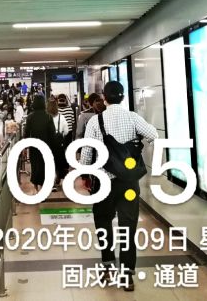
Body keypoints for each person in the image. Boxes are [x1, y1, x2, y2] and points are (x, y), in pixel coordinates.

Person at [81, 81, 159, 292]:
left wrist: (85, 174)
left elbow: (87, 151)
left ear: (104, 98)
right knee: (128, 226)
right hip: (129, 183)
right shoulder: (132, 117)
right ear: (123, 97)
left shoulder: (96, 121)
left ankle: (107, 267)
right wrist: (136, 143)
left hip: (103, 182)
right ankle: (127, 276)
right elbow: (154, 135)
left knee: (103, 222)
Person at [23, 95, 56, 195]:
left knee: (35, 166)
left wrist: (24, 146)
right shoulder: (48, 116)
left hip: (34, 146)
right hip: (46, 145)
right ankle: (43, 187)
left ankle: (35, 188)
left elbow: (26, 132)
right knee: (44, 165)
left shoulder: (30, 117)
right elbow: (52, 133)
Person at [46, 96, 69, 190]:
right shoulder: (61, 117)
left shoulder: (46, 117)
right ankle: (59, 177)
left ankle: (51, 182)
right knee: (59, 161)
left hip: (48, 143)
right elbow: (66, 131)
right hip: (59, 143)